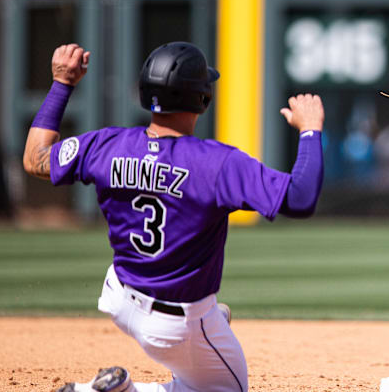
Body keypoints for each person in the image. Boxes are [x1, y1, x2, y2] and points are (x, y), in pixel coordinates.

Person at [23, 42, 325, 392]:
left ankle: (200, 335)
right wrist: (310, 130)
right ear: (203, 99)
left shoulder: (107, 145)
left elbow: (35, 158)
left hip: (119, 296)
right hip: (177, 322)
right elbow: (300, 199)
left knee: (206, 335)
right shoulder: (216, 162)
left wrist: (62, 83)